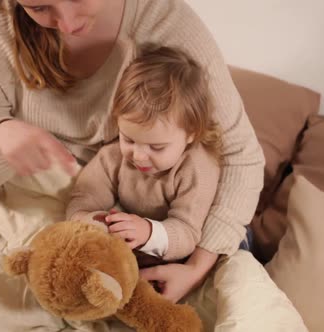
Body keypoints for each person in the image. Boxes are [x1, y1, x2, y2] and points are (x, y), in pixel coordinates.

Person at [0, 0, 265, 303]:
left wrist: (196, 268)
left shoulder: (162, 19)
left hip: (184, 230)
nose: (67, 25)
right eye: (39, 7)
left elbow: (241, 155)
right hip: (81, 219)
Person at [66, 45, 221, 267]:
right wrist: (87, 220)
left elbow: (187, 232)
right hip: (143, 237)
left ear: (191, 134)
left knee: (236, 260)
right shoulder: (113, 156)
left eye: (156, 147)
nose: (137, 156)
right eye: (128, 139)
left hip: (191, 236)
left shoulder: (196, 169)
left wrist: (148, 232)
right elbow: (85, 195)